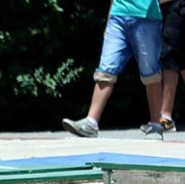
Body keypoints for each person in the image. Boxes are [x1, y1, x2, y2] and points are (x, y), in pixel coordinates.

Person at [62, 0, 165, 138]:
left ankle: (155, 126)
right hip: (117, 16)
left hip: (147, 19)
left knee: (150, 73)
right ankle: (91, 124)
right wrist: (109, 19)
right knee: (105, 69)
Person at [158, 0, 185, 131]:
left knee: (171, 57)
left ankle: (166, 116)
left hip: (178, 8)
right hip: (170, 10)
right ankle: (166, 116)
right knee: (177, 60)